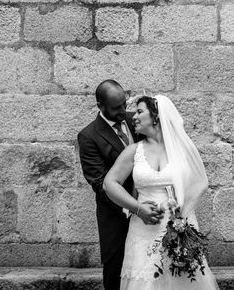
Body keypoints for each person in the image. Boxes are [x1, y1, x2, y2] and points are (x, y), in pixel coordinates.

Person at [104, 95, 219, 290]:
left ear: (156, 116)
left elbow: (200, 183)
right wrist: (138, 208)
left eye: (140, 111)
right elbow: (110, 183)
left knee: (182, 278)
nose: (134, 117)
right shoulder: (133, 151)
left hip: (179, 227)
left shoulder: (181, 150)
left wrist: (182, 215)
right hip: (143, 228)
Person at [77, 80, 164, 290]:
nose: (123, 111)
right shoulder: (88, 136)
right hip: (116, 217)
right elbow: (99, 182)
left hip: (150, 213)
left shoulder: (135, 120)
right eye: (116, 108)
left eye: (124, 104)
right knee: (116, 271)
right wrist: (131, 207)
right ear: (100, 105)